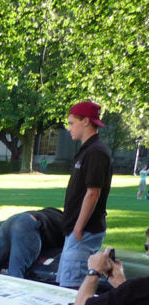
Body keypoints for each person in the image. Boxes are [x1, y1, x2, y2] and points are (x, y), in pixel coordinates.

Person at [57, 101, 112, 288]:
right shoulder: (87, 150)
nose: (69, 128)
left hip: (84, 233)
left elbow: (93, 193)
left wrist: (78, 229)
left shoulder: (96, 152)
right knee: (66, 287)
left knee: (72, 291)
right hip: (77, 232)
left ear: (86, 121)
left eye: (72, 123)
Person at [0, 208, 65, 278]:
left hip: (13, 220)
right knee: (16, 273)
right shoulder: (65, 224)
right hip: (26, 224)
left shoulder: (54, 213)